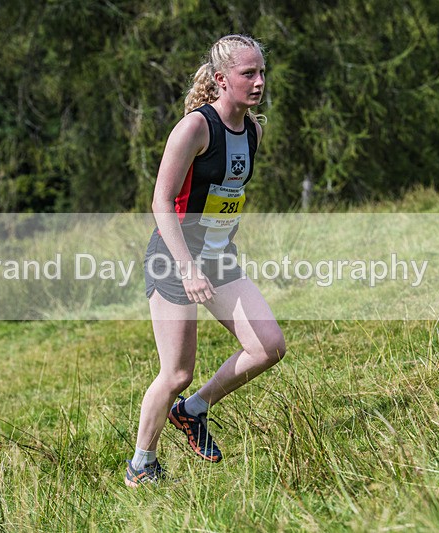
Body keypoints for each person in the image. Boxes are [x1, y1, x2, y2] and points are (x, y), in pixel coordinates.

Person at [126, 34, 286, 487]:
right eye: (247, 74)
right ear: (221, 79)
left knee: (269, 345)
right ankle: (142, 464)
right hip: (173, 257)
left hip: (219, 257)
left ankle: (193, 410)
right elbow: (160, 202)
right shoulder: (194, 128)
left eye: (261, 73)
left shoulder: (254, 129)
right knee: (176, 371)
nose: (258, 83)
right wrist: (187, 266)